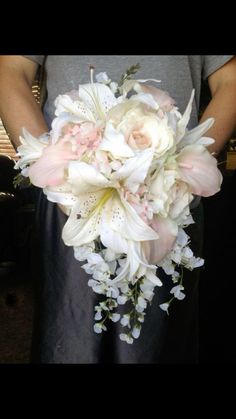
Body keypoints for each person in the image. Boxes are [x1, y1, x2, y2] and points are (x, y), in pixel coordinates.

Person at [0, 55, 236, 364]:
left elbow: (230, 82)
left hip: (168, 200)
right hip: (70, 198)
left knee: (161, 348)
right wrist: (54, 173)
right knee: (69, 344)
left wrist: (181, 175)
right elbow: (10, 72)